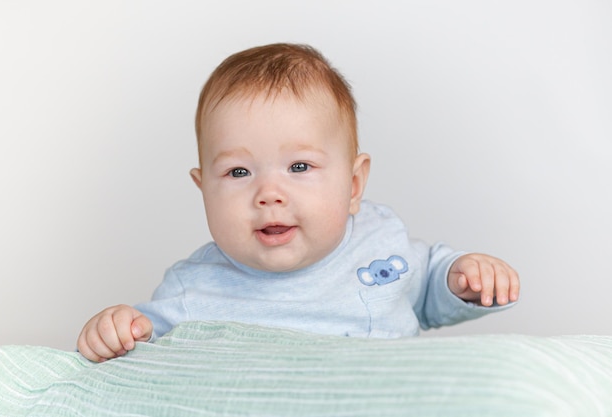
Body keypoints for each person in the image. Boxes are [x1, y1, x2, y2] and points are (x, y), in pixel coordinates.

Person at [77, 43, 520, 362]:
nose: (269, 194)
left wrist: (462, 278)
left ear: (352, 185)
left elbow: (425, 289)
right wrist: (120, 330)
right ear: (203, 190)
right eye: (238, 172)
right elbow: (147, 346)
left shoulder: (381, 241)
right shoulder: (192, 290)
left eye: (299, 167)